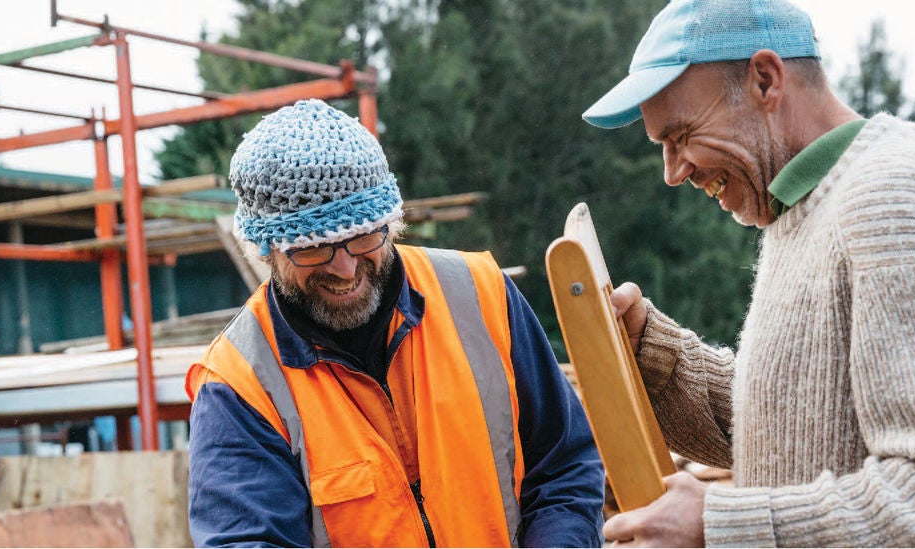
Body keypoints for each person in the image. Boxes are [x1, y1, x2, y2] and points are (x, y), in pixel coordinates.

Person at [581, 0, 915, 546]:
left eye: (681, 135)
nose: (674, 172)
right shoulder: (808, 211)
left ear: (766, 80)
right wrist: (656, 355)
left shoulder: (898, 203)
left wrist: (724, 527)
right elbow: (797, 431)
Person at [185, 99, 604, 548]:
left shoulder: (483, 295)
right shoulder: (239, 385)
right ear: (266, 252)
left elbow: (564, 468)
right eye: (313, 248)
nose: (345, 268)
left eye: (363, 235)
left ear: (391, 221)